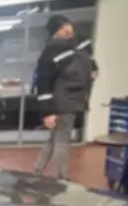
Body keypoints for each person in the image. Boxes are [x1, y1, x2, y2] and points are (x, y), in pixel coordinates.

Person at [31, 14, 97, 180]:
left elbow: (89, 64)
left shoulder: (79, 45)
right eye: (61, 28)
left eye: (68, 25)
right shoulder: (49, 54)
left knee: (54, 140)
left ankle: (37, 171)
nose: (67, 29)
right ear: (54, 33)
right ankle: (62, 179)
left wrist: (93, 70)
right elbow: (43, 84)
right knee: (62, 142)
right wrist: (47, 112)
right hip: (63, 102)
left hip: (74, 99)